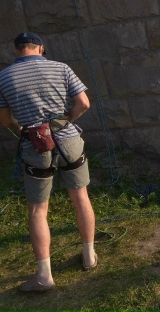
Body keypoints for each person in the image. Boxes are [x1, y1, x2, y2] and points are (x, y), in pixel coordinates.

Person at [0, 32, 97, 292]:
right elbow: (83, 103)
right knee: (81, 197)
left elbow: (5, 120)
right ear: (41, 48)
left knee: (37, 210)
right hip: (69, 141)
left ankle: (44, 276)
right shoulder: (61, 68)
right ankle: (89, 256)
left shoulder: (4, 77)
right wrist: (65, 122)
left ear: (16, 50)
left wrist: (22, 128)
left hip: (35, 145)